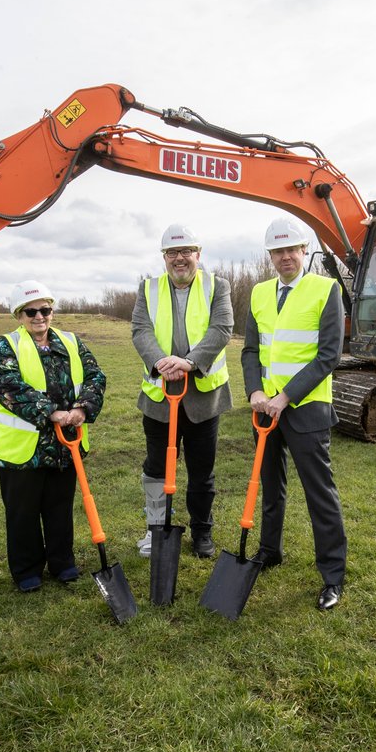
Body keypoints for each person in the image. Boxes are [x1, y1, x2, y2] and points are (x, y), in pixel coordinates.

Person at [241, 216, 348, 611]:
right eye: (278, 251)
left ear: (304, 251)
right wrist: (255, 390)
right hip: (264, 410)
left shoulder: (326, 289)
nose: (285, 256)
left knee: (320, 494)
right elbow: (251, 350)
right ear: (270, 256)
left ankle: (333, 576)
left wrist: (285, 396)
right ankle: (270, 550)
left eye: (291, 249)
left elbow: (329, 355)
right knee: (271, 487)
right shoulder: (259, 293)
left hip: (306, 409)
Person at [0, 280, 106, 592]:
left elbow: (95, 376)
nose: (39, 317)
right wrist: (51, 412)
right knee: (22, 513)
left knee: (59, 508)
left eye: (45, 310)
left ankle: (62, 563)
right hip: (22, 449)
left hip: (64, 445)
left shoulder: (70, 341)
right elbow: (7, 386)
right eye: (31, 312)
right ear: (19, 314)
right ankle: (27, 570)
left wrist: (82, 408)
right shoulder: (8, 345)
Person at [130, 223, 234, 558]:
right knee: (156, 469)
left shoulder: (217, 286)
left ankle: (202, 531)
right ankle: (156, 530)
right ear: (164, 257)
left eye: (186, 251)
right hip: (160, 398)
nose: (180, 258)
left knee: (202, 472)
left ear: (198, 254)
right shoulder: (148, 288)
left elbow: (222, 328)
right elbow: (141, 330)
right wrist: (161, 362)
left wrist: (189, 362)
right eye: (172, 252)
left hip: (204, 398)